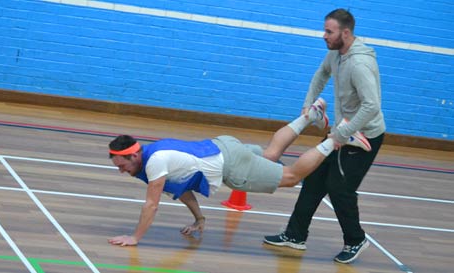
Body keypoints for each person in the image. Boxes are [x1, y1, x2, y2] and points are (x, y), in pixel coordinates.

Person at [106, 100, 370, 247]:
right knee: (269, 156)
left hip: (232, 167)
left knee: (290, 178)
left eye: (122, 166)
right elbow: (182, 189)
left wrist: (135, 238)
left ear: (134, 154)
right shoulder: (154, 152)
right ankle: (310, 116)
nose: (122, 172)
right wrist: (200, 219)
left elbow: (151, 205)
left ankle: (337, 137)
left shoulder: (154, 164)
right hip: (224, 145)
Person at [263, 8, 386, 264]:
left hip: (364, 136)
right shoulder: (335, 54)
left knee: (339, 188)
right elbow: (321, 75)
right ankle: (295, 235)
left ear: (346, 32)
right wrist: (308, 105)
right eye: (325, 30)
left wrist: (342, 133)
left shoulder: (360, 64)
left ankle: (356, 240)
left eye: (329, 31)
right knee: (315, 178)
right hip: (343, 130)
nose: (324, 35)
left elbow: (371, 106)